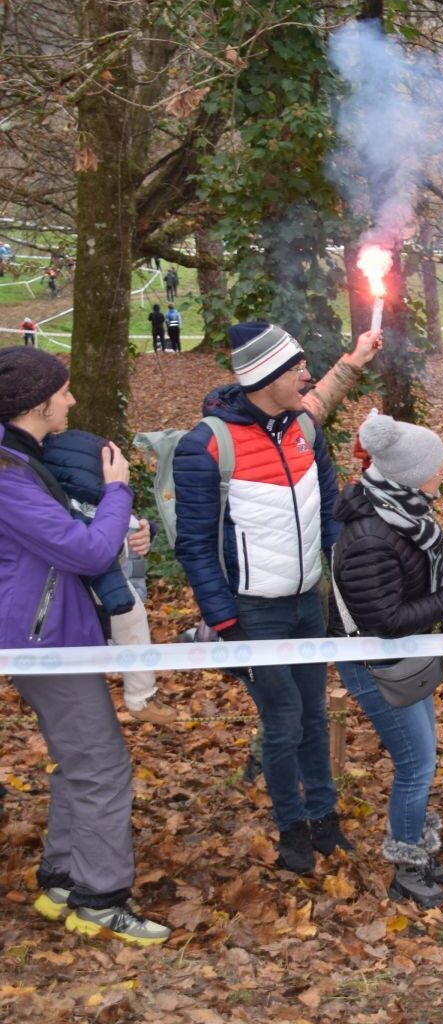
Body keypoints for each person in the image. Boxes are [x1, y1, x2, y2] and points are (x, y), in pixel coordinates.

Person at [0, 348, 172, 945]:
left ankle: (63, 882)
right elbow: (86, 553)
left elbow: (79, 540)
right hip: (45, 644)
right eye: (64, 392)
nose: (72, 401)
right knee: (102, 768)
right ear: (36, 402)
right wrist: (119, 493)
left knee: (81, 763)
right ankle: (99, 899)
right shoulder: (9, 476)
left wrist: (127, 530)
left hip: (57, 637)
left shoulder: (26, 464)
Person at [173, 323, 345, 874]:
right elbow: (194, 544)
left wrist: (339, 587)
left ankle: (325, 818)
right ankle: (291, 824)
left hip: (305, 602)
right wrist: (226, 623)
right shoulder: (205, 445)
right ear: (266, 376)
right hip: (253, 612)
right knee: (285, 718)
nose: (307, 376)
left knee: (315, 716)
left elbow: (331, 517)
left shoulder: (306, 429)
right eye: (297, 367)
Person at [329, 412, 443, 907]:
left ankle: (418, 851)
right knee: (415, 765)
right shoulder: (374, 535)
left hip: (401, 660)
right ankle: (406, 869)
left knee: (423, 759)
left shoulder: (404, 513)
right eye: (437, 466)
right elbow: (385, 620)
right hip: (375, 664)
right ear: (410, 473)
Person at [38, 429, 173, 724]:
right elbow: (91, 549)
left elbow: (127, 522)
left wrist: (145, 531)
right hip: (63, 602)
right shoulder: (61, 506)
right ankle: (140, 694)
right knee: (131, 615)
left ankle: (139, 691)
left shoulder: (95, 501)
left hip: (105, 595)